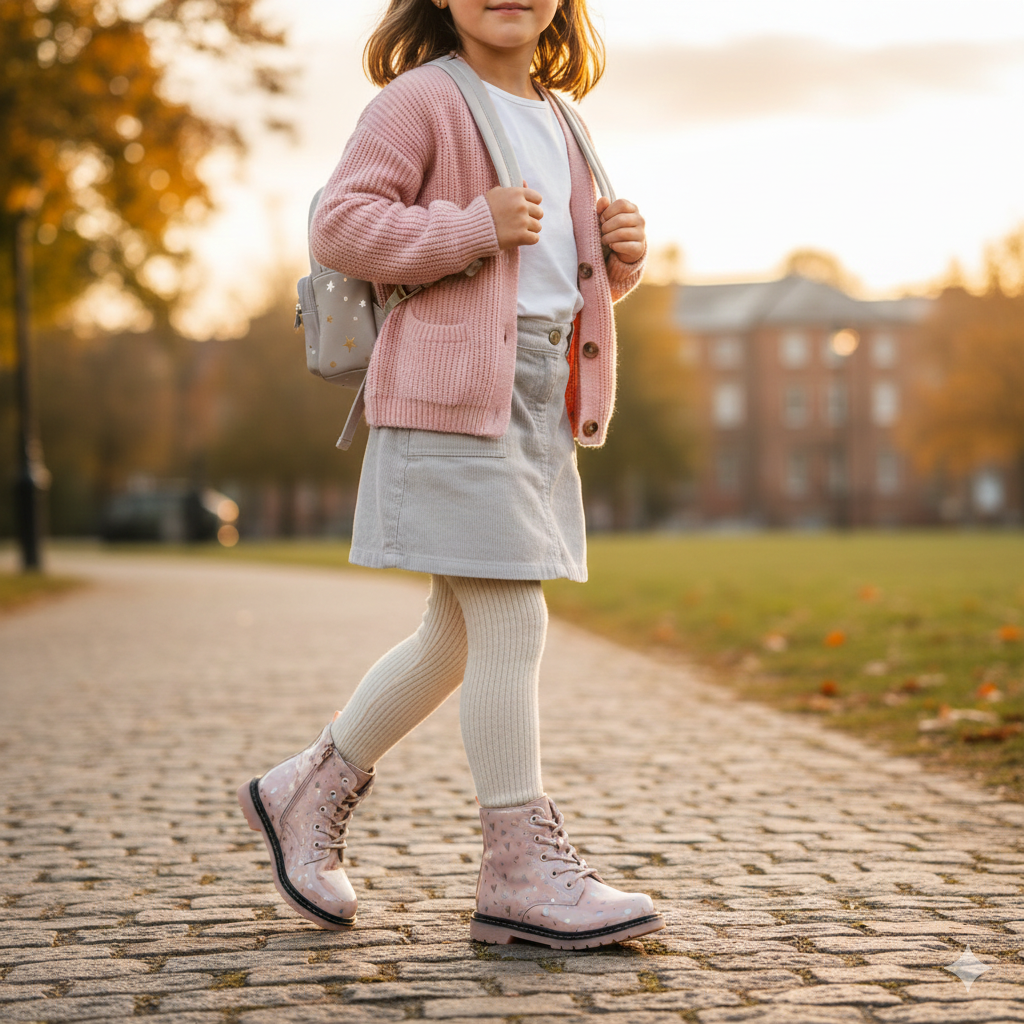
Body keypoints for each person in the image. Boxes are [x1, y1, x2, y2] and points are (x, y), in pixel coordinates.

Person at [238, 0, 663, 950]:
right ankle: (517, 871)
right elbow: (344, 225)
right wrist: (470, 224)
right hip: (451, 390)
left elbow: (542, 279)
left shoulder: (564, 119)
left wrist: (616, 262)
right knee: (513, 612)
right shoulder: (421, 101)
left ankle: (304, 790)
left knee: (454, 634)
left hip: (534, 398)